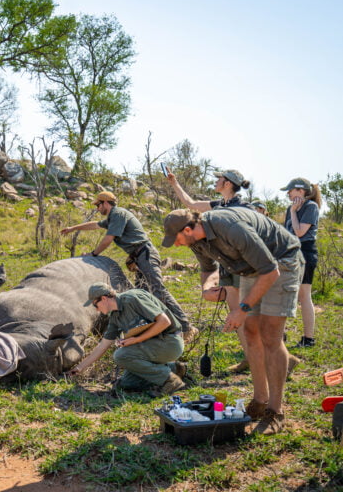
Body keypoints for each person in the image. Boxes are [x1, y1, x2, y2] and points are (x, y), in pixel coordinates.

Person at [162, 208, 303, 435]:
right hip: (252, 269)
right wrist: (207, 288)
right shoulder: (196, 240)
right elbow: (208, 269)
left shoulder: (229, 227)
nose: (176, 245)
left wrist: (242, 308)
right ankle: (260, 400)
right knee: (250, 332)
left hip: (280, 261)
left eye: (176, 239)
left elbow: (270, 271)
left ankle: (276, 412)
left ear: (188, 229)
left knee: (270, 335)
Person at [60, 191, 196, 342]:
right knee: (143, 294)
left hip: (145, 254)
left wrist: (93, 253)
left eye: (98, 205)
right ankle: (155, 329)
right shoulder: (112, 218)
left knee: (158, 291)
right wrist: (73, 228)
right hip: (138, 257)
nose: (97, 208)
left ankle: (186, 328)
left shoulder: (118, 214)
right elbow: (95, 225)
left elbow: (108, 239)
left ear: (106, 203)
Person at [167, 169, 252, 371]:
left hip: (243, 264)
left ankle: (269, 357)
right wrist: (174, 184)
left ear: (228, 183)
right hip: (228, 265)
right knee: (236, 312)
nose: (216, 181)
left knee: (247, 314)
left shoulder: (243, 206)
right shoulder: (219, 204)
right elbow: (191, 204)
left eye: (219, 179)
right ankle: (250, 358)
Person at [70, 283, 186, 397]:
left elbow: (164, 322)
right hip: (152, 348)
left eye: (95, 305)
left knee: (121, 355)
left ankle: (170, 380)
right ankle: (174, 368)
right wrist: (79, 368)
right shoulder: (115, 317)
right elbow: (102, 346)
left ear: (104, 298)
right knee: (126, 383)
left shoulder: (133, 298)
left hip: (170, 342)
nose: (96, 310)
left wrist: (135, 340)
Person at [281, 178, 322, 348]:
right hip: (290, 253)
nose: (288, 194)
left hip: (304, 252)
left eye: (290, 190)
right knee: (284, 293)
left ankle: (308, 339)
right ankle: (279, 336)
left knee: (304, 295)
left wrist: (293, 212)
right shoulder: (290, 208)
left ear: (300, 190)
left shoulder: (310, 207)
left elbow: (299, 232)